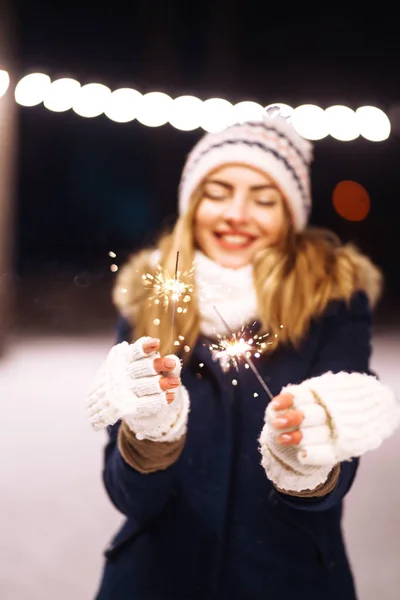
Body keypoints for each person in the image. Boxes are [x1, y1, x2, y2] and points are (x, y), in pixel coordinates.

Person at [87, 112, 400, 600]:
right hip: (152, 582)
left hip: (290, 581)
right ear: (192, 203)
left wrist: (309, 457)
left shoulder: (332, 302)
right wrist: (150, 439)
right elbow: (129, 496)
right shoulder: (153, 298)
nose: (236, 214)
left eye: (264, 198)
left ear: (291, 214)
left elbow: (335, 481)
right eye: (217, 192)